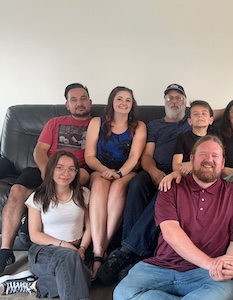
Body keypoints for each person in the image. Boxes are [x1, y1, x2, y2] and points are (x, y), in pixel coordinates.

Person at [97, 84, 233, 285]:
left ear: (185, 103)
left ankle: (130, 252)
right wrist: (155, 172)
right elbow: (146, 156)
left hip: (190, 173)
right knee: (138, 182)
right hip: (157, 170)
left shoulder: (193, 123)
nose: (174, 101)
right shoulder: (155, 125)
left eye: (179, 98)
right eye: (170, 98)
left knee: (169, 187)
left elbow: (227, 112)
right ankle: (128, 250)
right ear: (164, 101)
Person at [113, 135, 233, 299]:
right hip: (161, 267)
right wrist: (210, 263)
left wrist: (226, 266)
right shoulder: (171, 187)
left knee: (225, 291)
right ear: (192, 159)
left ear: (223, 163)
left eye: (215, 156)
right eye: (203, 154)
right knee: (122, 294)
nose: (209, 160)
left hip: (204, 274)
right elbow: (171, 233)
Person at [0, 83, 92, 275]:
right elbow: (40, 150)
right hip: (44, 168)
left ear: (90, 102)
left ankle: (38, 212)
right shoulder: (55, 122)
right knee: (17, 190)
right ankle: (5, 251)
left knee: (82, 176)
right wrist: (46, 170)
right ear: (67, 104)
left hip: (74, 171)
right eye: (73, 99)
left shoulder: (97, 124)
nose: (79, 103)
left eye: (83, 98)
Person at [0, 151, 91, 298]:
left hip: (74, 251)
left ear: (76, 173)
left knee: (84, 278)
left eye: (71, 169)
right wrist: (65, 245)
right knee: (78, 273)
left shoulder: (84, 194)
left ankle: (33, 284)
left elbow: (89, 226)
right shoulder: (38, 197)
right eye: (59, 167)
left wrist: (82, 248)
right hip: (43, 251)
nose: (65, 173)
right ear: (51, 169)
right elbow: (35, 235)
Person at [84, 86, 146, 279]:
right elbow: (89, 156)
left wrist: (118, 173)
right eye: (120, 99)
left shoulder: (139, 126)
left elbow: (135, 157)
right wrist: (105, 171)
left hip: (126, 170)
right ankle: (98, 251)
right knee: (99, 187)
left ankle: (101, 249)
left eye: (128, 100)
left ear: (132, 104)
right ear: (112, 101)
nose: (124, 103)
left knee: (118, 187)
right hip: (100, 168)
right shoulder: (97, 122)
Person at [172, 100, 216, 175]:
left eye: (204, 113)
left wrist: (193, 165)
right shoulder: (183, 138)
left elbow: (219, 164)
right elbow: (175, 166)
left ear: (210, 120)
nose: (200, 116)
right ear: (189, 121)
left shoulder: (215, 139)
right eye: (196, 114)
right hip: (188, 175)